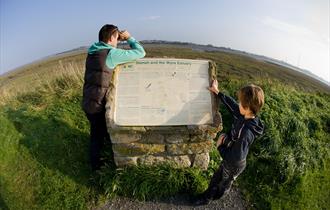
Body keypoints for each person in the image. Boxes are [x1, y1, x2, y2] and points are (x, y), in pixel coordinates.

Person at [82, 24, 146, 171]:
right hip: (97, 104)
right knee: (96, 136)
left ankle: (104, 154)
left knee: (99, 131)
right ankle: (96, 166)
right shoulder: (111, 54)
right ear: (111, 37)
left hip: (88, 100)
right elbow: (141, 52)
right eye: (117, 38)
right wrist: (129, 38)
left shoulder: (93, 51)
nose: (118, 41)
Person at [193, 79, 265, 205]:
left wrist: (220, 147)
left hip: (234, 164)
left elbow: (236, 157)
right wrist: (217, 92)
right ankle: (210, 195)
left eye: (240, 102)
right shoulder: (245, 115)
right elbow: (232, 105)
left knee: (222, 182)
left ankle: (210, 198)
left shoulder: (247, 132)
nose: (238, 104)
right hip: (233, 156)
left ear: (247, 108)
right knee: (218, 178)